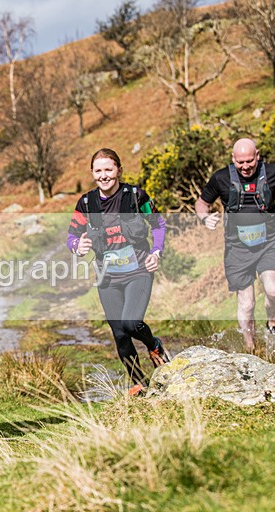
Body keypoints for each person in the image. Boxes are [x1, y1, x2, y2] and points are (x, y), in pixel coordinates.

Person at [67, 148, 170, 396]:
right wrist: (77, 247)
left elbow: (158, 224)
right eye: (98, 170)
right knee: (120, 333)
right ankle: (140, 384)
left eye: (109, 170)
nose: (104, 176)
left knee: (132, 323)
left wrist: (157, 252)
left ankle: (154, 345)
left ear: (119, 171)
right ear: (92, 173)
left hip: (139, 270)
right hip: (108, 277)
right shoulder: (86, 203)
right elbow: (71, 237)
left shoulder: (135, 196)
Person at [196, 138, 275, 351]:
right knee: (247, 303)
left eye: (250, 161)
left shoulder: (270, 173)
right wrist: (204, 217)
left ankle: (273, 323)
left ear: (257, 156)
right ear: (233, 159)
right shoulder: (220, 178)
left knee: (273, 290)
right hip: (237, 249)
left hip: (268, 242)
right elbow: (202, 203)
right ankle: (251, 348)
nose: (246, 166)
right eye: (240, 162)